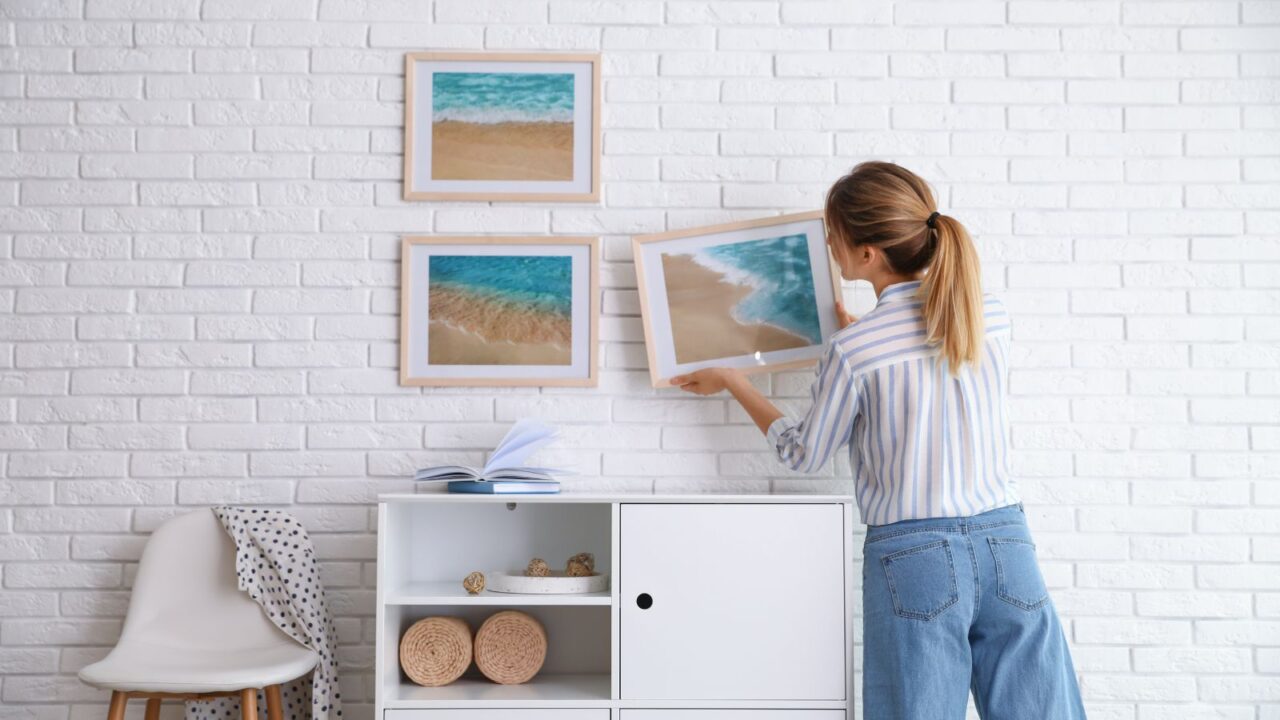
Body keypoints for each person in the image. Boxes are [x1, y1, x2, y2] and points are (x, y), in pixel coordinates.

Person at [671, 161, 1086, 720]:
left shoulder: (857, 350)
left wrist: (734, 381)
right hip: (1008, 543)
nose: (828, 245)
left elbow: (803, 454)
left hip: (914, 556)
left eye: (833, 235)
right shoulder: (989, 315)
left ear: (867, 254)